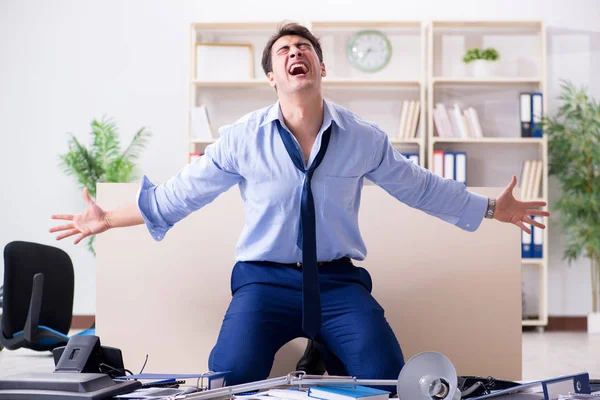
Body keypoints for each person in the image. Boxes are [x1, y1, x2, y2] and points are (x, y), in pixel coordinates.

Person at [50, 22, 550, 393]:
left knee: (386, 376)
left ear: (320, 67)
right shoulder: (242, 139)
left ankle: (326, 352)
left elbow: (418, 187)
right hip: (263, 283)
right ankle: (311, 355)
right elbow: (180, 195)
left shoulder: (362, 138)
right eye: (285, 51)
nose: (296, 54)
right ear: (273, 76)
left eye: (304, 48)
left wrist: (491, 209)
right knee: (228, 377)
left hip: (337, 283)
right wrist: (107, 219)